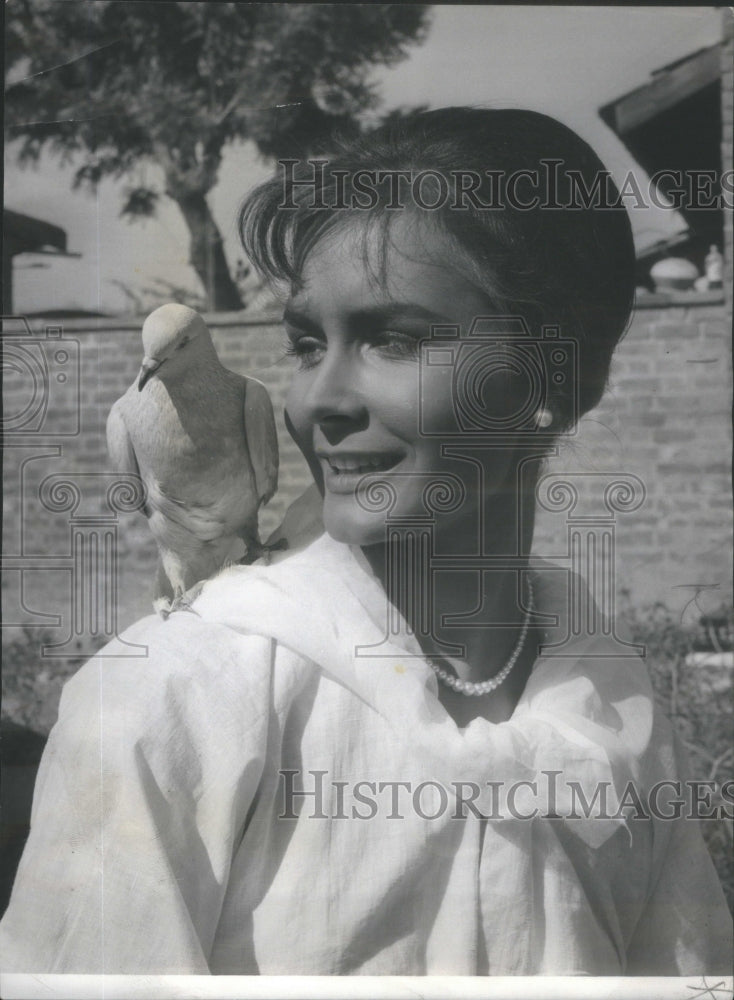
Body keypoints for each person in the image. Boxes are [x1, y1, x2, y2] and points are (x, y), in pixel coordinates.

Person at [1, 108, 731, 976]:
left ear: (564, 377)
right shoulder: (172, 701)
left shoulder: (610, 705)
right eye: (308, 343)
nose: (317, 402)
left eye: (394, 338)